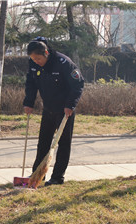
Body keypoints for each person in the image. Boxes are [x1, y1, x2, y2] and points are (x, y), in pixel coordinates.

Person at [23, 37, 84, 186]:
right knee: (43, 143)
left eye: (38, 58)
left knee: (62, 144)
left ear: (46, 53)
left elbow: (78, 84)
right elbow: (31, 83)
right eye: (33, 58)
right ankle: (37, 176)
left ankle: (57, 177)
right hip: (48, 108)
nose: (36, 61)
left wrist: (70, 105)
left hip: (65, 110)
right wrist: (29, 102)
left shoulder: (63, 63)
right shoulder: (33, 64)